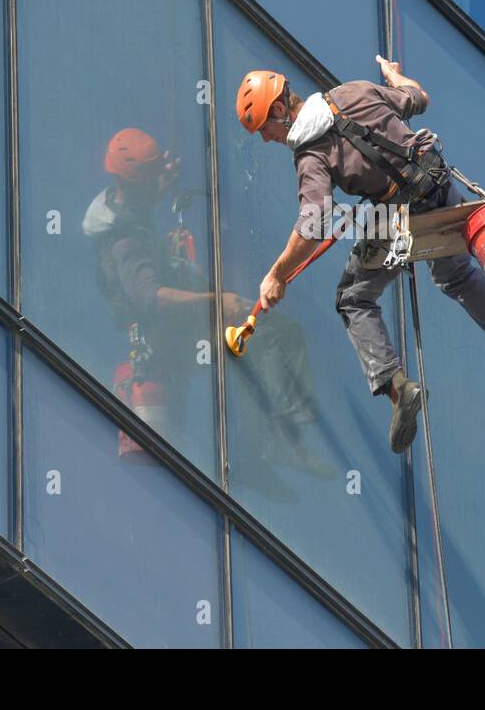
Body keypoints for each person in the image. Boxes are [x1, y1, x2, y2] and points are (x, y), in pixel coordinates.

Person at [234, 56, 485, 456]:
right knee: (456, 276)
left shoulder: (310, 154)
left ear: (281, 111)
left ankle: (398, 389)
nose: (266, 139)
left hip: (401, 214)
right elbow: (417, 97)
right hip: (440, 188)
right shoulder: (354, 90)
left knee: (352, 298)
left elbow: (312, 224)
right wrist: (395, 77)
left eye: (264, 128)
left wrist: (277, 274)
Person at [85, 127, 322, 463]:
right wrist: (218, 302)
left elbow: (142, 205)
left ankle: (268, 447)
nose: (159, 185)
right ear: (136, 184)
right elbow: (152, 297)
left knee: (253, 338)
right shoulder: (125, 240)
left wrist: (159, 185)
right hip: (167, 337)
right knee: (268, 335)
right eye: (152, 179)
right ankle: (277, 446)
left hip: (169, 333)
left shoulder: (125, 210)